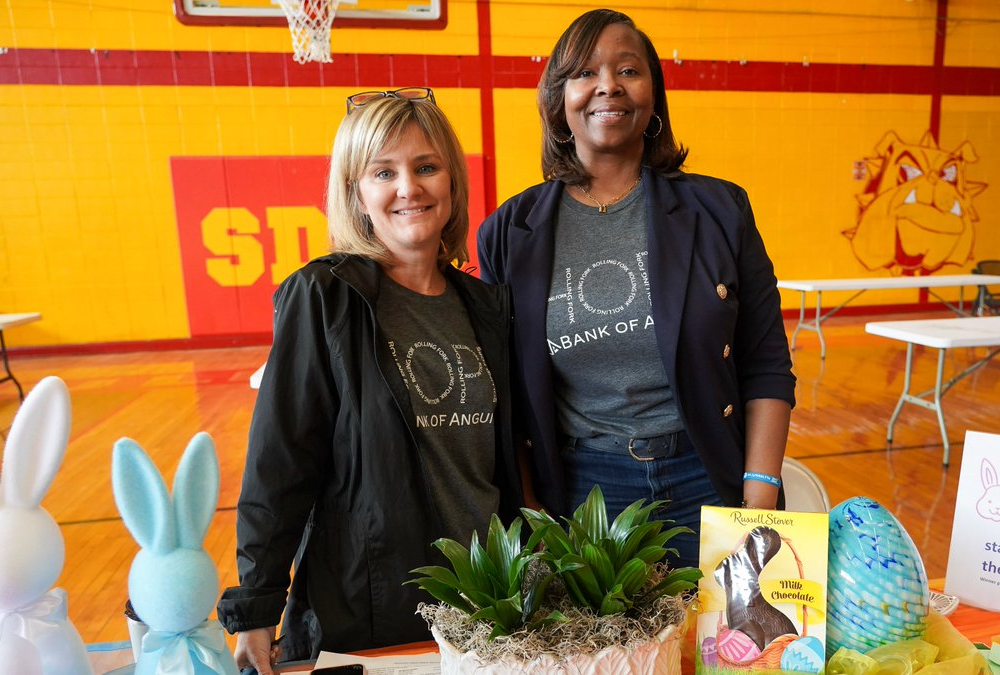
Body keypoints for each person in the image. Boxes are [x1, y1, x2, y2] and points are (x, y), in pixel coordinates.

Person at [477, 9, 795, 569]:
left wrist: (759, 498)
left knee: (731, 653)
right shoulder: (509, 232)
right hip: (584, 496)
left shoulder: (720, 209)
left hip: (710, 476)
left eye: (628, 69)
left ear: (653, 96)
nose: (608, 86)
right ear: (559, 99)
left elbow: (766, 361)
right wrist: (533, 511)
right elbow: (507, 397)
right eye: (585, 72)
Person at [216, 89, 521, 673]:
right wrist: (256, 608)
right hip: (373, 609)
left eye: (426, 167)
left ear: (451, 182)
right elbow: (278, 466)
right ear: (357, 193)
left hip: (488, 605)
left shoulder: (485, 306)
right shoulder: (326, 298)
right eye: (384, 172)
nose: (409, 188)